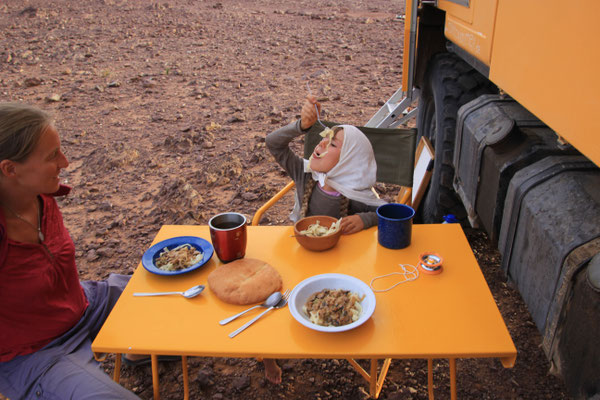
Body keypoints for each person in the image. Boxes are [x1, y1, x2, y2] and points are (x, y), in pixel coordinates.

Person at [0, 102, 141, 399]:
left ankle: (138, 352)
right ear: (10, 169)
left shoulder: (42, 194)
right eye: (53, 156)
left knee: (187, 302)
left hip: (85, 304)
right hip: (37, 352)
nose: (65, 162)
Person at [262, 95, 387, 383]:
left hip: (341, 266)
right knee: (271, 299)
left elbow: (394, 214)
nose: (320, 145)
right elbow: (273, 143)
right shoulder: (306, 175)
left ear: (349, 160)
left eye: (333, 144)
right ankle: (268, 356)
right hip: (298, 257)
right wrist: (301, 126)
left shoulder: (356, 194)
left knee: (342, 302)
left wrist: (365, 219)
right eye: (323, 139)